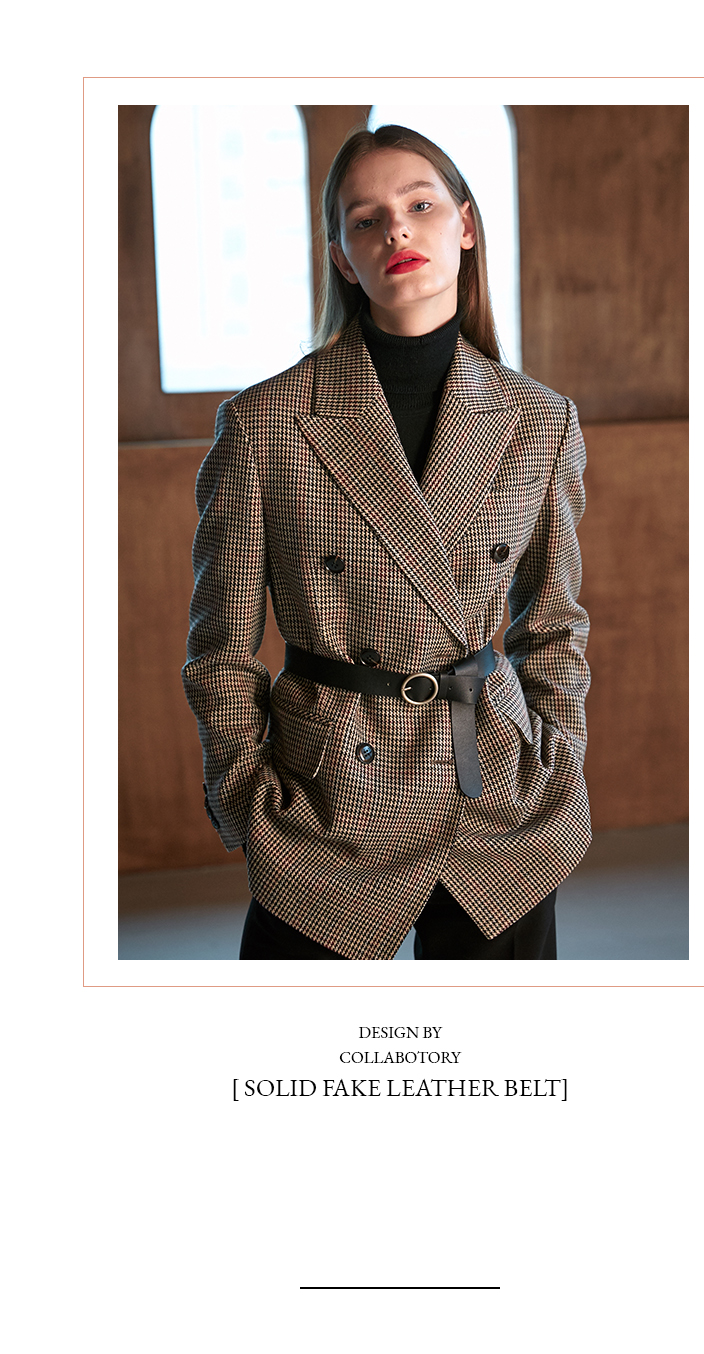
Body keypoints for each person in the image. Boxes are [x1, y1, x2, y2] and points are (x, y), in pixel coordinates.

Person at [182, 123, 591, 962]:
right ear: (342, 257)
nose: (396, 230)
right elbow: (220, 648)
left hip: (496, 786)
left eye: (419, 205)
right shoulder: (264, 424)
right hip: (324, 797)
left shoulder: (540, 419)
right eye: (365, 220)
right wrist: (246, 798)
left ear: (465, 226)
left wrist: (559, 757)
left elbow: (554, 623)